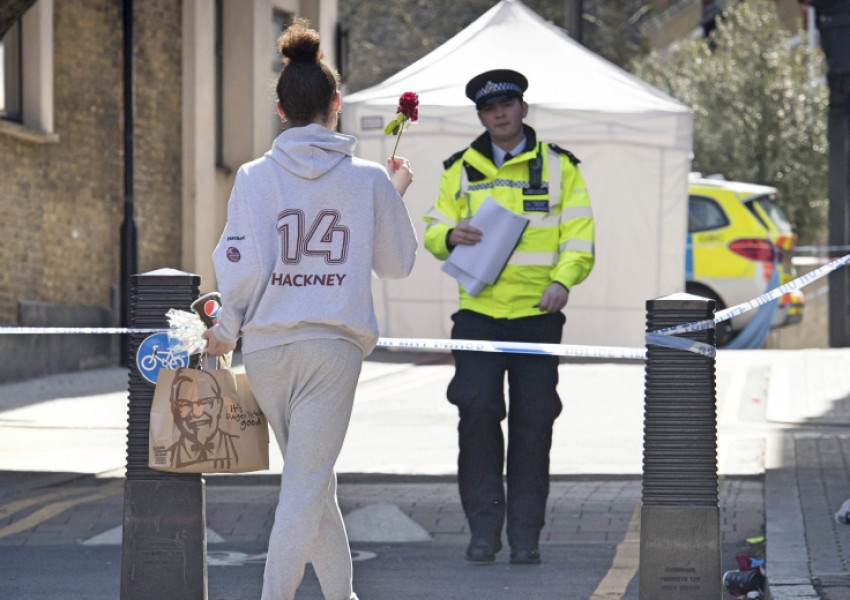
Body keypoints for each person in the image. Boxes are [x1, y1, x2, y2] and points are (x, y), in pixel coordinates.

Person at [202, 18, 417, 600]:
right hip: (332, 349)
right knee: (305, 487)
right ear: (336, 105)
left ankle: (343, 595)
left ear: (280, 109)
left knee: (312, 484)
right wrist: (391, 200)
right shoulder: (370, 179)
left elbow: (239, 265)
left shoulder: (251, 176)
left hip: (268, 351)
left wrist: (226, 326)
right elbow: (398, 264)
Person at [423, 68, 595, 565]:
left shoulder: (562, 167)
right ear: (481, 116)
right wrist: (448, 235)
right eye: (488, 108)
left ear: (523, 109)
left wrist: (564, 280)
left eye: (507, 104)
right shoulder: (459, 168)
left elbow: (579, 235)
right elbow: (433, 225)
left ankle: (526, 537)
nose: (498, 114)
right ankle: (483, 531)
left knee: (534, 423)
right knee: (477, 414)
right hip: (477, 315)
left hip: (537, 317)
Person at [166, 367, 239, 470]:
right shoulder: (167, 455)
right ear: (175, 410)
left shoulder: (240, 447)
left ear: (219, 405)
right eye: (185, 404)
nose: (196, 413)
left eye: (206, 402)